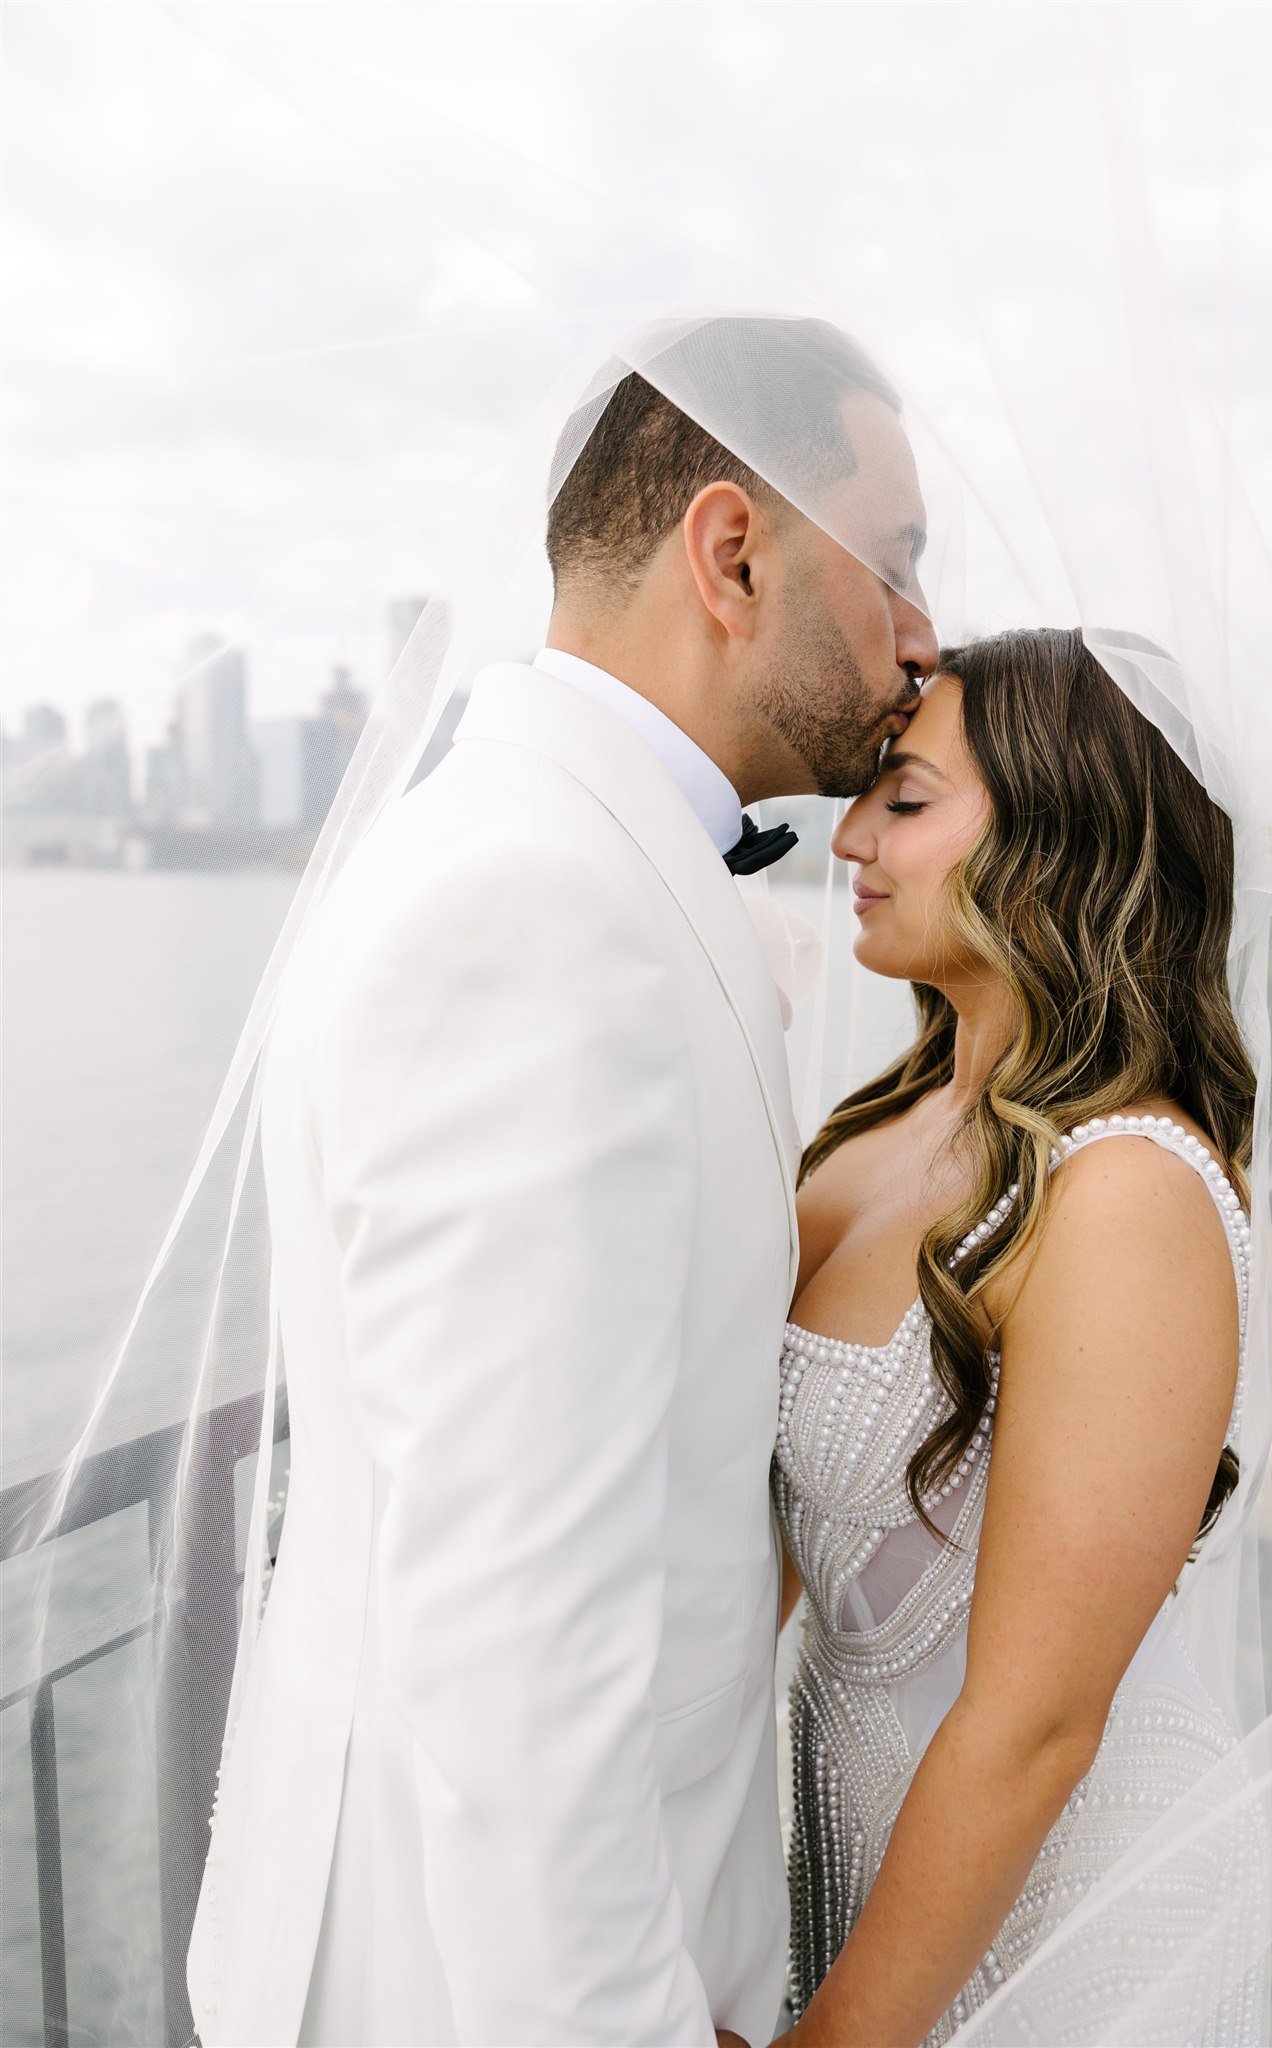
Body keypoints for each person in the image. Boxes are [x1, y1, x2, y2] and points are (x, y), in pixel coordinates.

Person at [185, 317, 938, 2048]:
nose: (918, 631)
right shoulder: (542, 908)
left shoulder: (558, 859)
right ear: (732, 554)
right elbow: (513, 1640)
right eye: (894, 563)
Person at [773, 626, 1265, 2047]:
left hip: (1071, 1923)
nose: (850, 834)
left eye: (906, 800)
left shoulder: (1125, 1195)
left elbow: (1038, 1721)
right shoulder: (873, 1135)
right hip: (872, 1865)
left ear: (1058, 838)